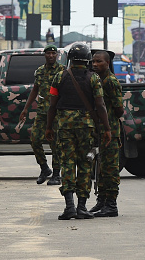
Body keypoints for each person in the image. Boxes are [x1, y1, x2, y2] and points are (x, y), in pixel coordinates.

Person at [46, 43, 111, 220]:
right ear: (88, 59)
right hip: (86, 127)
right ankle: (82, 207)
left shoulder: (58, 77)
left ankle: (69, 207)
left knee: (67, 163)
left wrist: (48, 127)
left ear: (70, 60)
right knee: (85, 164)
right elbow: (100, 105)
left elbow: (52, 105)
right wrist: (106, 129)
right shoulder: (94, 78)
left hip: (65, 127)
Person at [19, 45, 65, 185]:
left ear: (57, 55)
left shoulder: (62, 70)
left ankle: (56, 174)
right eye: (48, 53)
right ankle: (44, 168)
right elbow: (35, 90)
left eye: (53, 53)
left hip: (56, 112)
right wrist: (26, 108)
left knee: (55, 144)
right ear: (44, 55)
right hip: (42, 111)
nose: (51, 56)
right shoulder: (39, 71)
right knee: (35, 140)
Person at [89, 50, 124, 218]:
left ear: (107, 63)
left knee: (110, 169)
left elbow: (119, 109)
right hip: (100, 131)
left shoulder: (110, 81)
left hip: (110, 131)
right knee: (101, 168)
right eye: (93, 61)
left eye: (99, 62)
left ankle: (111, 205)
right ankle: (101, 200)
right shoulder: (97, 80)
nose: (95, 64)